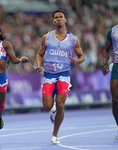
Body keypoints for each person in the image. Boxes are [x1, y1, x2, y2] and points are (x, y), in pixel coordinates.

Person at [36, 10, 85, 144]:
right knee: (47, 106)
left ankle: (54, 135)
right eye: (56, 17)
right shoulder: (46, 37)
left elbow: (82, 56)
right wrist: (39, 65)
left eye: (60, 17)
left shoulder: (73, 39)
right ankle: (52, 111)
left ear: (65, 20)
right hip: (49, 75)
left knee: (61, 105)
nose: (58, 19)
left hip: (64, 74)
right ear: (53, 21)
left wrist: (77, 61)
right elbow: (39, 54)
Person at [102, 24, 118, 140]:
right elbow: (106, 49)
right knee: (115, 99)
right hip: (117, 65)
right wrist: (104, 63)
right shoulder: (112, 31)